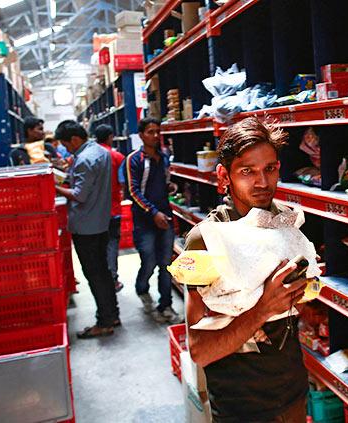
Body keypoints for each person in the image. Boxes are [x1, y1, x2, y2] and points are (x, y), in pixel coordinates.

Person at [185, 117, 309, 422]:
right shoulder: (203, 240)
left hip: (293, 394)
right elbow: (199, 350)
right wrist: (263, 308)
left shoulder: (286, 223)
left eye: (270, 169)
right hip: (242, 408)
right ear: (223, 175)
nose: (263, 183)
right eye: (247, 171)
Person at [54, 120, 120, 338]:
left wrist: (55, 187)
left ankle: (104, 322)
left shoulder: (84, 159)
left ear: (75, 139)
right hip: (101, 221)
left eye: (66, 144)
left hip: (86, 226)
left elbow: (80, 195)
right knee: (103, 272)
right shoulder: (100, 152)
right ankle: (113, 314)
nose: (66, 148)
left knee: (95, 275)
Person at [125, 117, 183, 324]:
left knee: (166, 264)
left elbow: (163, 182)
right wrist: (153, 212)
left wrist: (170, 188)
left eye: (158, 131)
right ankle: (142, 287)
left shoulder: (164, 157)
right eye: (150, 132)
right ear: (141, 135)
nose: (155, 135)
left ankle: (165, 305)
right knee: (149, 261)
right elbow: (133, 191)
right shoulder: (134, 159)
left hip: (164, 217)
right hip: (145, 221)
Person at [95, 124, 125, 293]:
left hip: (94, 213)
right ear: (110, 137)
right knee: (112, 244)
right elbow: (122, 182)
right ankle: (112, 280)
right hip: (113, 210)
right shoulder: (117, 157)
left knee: (98, 247)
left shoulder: (90, 156)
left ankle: (102, 282)